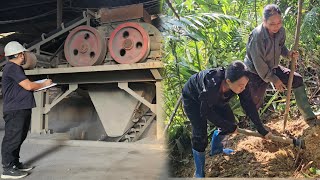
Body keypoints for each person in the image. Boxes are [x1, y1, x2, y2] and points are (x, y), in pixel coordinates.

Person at [182, 61, 271, 177]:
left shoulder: (241, 83)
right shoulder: (211, 86)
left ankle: (217, 149)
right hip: (193, 99)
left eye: (245, 85)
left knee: (230, 122)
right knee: (200, 134)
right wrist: (227, 126)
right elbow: (206, 113)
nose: (243, 88)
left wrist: (261, 128)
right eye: (240, 86)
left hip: (216, 99)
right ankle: (199, 172)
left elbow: (248, 104)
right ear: (228, 81)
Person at [244, 4, 319, 126]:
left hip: (272, 67)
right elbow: (259, 63)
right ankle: (256, 129)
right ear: (264, 21)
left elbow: (281, 47)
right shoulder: (258, 36)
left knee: (297, 79)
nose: (276, 26)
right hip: (255, 72)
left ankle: (309, 118)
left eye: (279, 23)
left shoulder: (280, 31)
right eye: (272, 23)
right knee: (255, 102)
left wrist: (289, 54)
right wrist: (274, 79)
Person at [1, 41, 52, 179]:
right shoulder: (12, 68)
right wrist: (44, 83)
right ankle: (7, 168)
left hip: (21, 108)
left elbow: (23, 87)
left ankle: (15, 163)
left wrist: (40, 85)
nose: (24, 56)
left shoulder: (16, 68)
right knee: (12, 138)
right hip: (15, 109)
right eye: (23, 53)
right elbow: (28, 86)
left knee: (19, 137)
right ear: (19, 55)